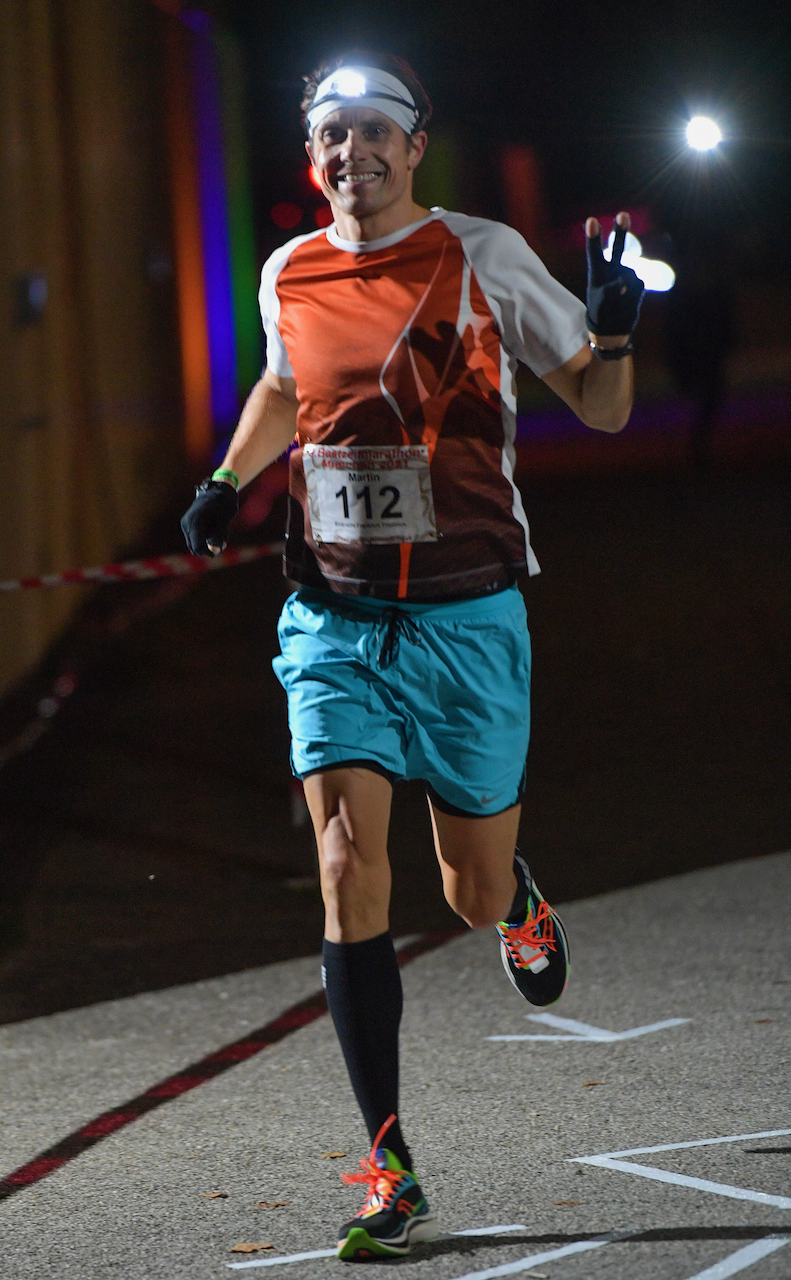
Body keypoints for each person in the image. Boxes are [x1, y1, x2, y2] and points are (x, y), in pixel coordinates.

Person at [181, 52, 643, 1263]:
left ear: (413, 144)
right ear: (313, 152)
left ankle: (516, 897)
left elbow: (597, 403)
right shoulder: (290, 267)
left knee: (467, 890)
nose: (353, 153)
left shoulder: (480, 255)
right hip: (332, 617)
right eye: (331, 135)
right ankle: (389, 1162)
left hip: (466, 616)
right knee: (344, 866)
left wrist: (614, 330)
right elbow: (284, 386)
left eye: (374, 132)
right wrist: (227, 480)